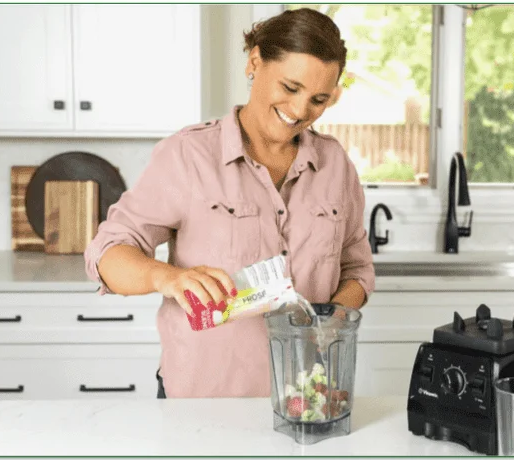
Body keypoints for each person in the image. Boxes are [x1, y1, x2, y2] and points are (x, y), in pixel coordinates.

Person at [83, 8, 375, 399]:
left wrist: (332, 319)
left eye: (318, 99)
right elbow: (106, 255)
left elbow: (357, 269)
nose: (301, 110)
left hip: (303, 398)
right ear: (255, 62)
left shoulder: (335, 164)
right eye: (290, 88)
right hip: (202, 401)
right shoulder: (188, 156)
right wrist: (167, 278)